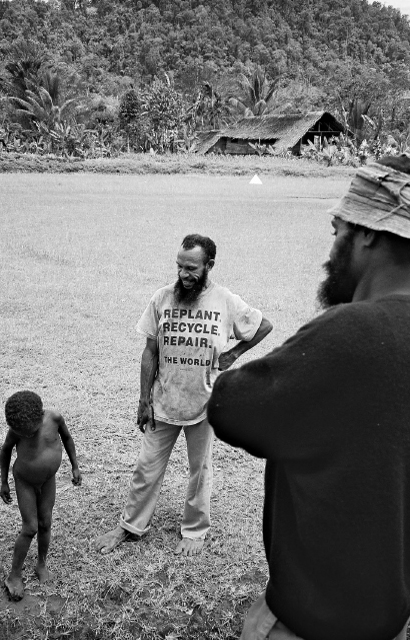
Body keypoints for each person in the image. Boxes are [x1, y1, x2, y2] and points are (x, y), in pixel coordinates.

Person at [207, 155, 410, 640]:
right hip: (390, 619)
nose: (331, 247)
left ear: (366, 232)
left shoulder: (353, 332)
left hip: (310, 623)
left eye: (336, 229)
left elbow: (230, 407)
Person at [95, 233, 272, 556]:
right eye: (179, 266)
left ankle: (194, 531)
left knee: (199, 471)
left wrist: (232, 355)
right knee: (146, 467)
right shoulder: (162, 298)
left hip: (204, 404)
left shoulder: (226, 301)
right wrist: (143, 399)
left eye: (191, 268)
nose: (183, 274)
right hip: (163, 401)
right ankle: (131, 525)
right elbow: (150, 352)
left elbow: (263, 326)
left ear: (209, 265)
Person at [0, 390, 82, 601]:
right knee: (30, 527)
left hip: (47, 481)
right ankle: (14, 576)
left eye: (29, 432)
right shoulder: (16, 431)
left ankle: (41, 564)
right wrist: (3, 482)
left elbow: (67, 438)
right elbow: (6, 451)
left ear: (40, 417)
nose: (25, 435)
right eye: (21, 433)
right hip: (25, 481)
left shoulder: (54, 418)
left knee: (46, 523)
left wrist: (75, 466)